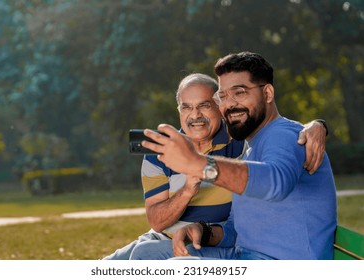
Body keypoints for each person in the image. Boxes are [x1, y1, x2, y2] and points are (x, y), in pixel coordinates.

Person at [130, 52, 336, 260]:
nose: (229, 104)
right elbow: (236, 229)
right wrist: (204, 231)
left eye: (239, 92)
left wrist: (199, 164)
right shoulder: (250, 146)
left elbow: (276, 181)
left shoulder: (285, 136)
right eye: (224, 96)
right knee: (144, 255)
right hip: (242, 255)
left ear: (267, 93)